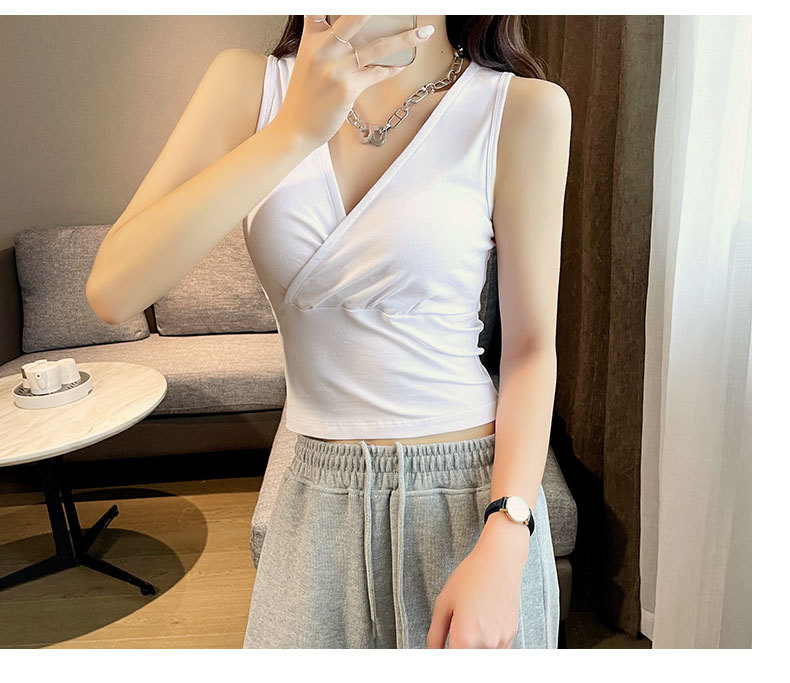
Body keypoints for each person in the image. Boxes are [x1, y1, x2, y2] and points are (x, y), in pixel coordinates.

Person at [86, 15, 571, 649]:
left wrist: (508, 534)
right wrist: (294, 130)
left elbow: (531, 351)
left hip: (470, 496)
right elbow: (114, 292)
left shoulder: (522, 108)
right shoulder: (247, 87)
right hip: (315, 487)